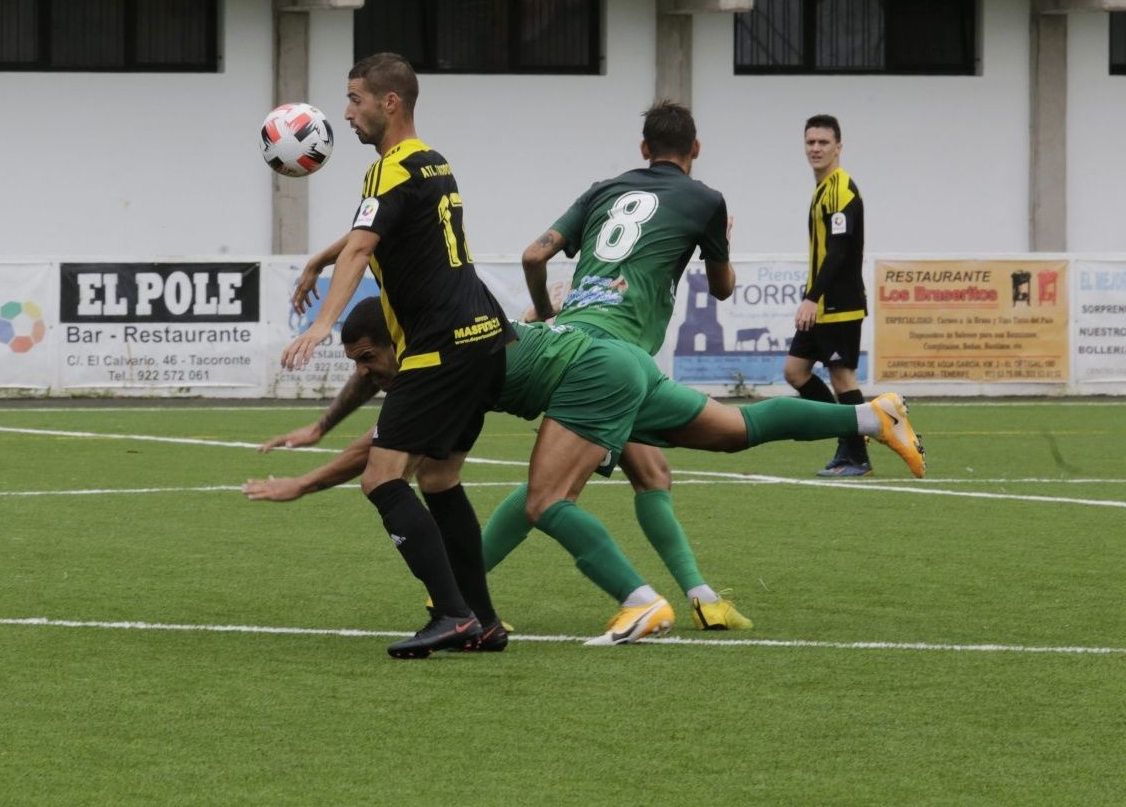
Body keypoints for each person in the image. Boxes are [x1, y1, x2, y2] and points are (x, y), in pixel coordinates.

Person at [245, 298, 925, 646]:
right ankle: (871, 417)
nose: (367, 373)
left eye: (369, 358)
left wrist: (301, 482)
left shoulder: (437, 365)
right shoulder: (440, 337)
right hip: (612, 354)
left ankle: (639, 601)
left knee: (543, 499)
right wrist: (319, 427)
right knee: (735, 430)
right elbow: (382, 409)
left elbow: (382, 445)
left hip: (589, 377)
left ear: (396, 344)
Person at [278, 52, 509, 659]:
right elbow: (369, 234)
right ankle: (482, 621)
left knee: (382, 477)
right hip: (485, 337)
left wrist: (322, 323)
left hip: (439, 346)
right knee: (439, 478)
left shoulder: (389, 171)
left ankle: (454, 614)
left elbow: (362, 250)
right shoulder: (431, 162)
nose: (346, 114)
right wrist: (318, 259)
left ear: (390, 103)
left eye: (354, 100)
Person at [518, 100, 751, 632]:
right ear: (695, 149)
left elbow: (534, 256)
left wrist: (548, 313)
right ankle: (461, 592)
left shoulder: (604, 189)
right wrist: (722, 242)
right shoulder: (705, 200)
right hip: (607, 359)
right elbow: (722, 288)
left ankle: (702, 596)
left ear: (643, 149)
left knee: (649, 472)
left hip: (583, 348)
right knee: (548, 496)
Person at [785, 114, 873, 477]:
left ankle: (857, 452)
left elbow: (838, 250)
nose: (816, 149)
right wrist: (811, 297)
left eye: (823, 142)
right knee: (795, 371)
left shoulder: (841, 187)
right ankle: (850, 434)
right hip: (821, 302)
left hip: (839, 303)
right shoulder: (822, 189)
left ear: (839, 147)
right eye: (810, 142)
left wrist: (812, 297)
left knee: (842, 378)